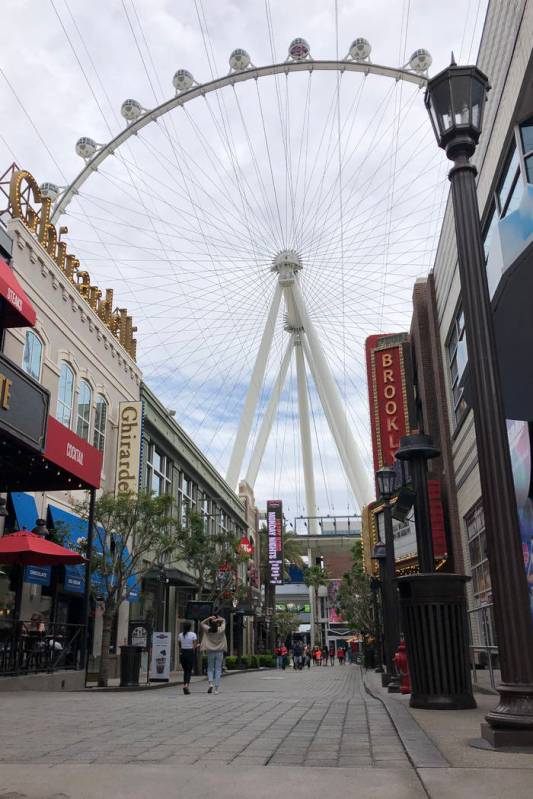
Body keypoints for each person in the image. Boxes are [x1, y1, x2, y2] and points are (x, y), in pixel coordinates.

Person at [200, 615, 227, 694]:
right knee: (218, 669)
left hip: (210, 651)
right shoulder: (221, 629)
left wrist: (209, 618)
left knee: (210, 668)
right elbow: (224, 620)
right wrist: (219, 619)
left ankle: (210, 684)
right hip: (219, 651)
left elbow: (201, 623)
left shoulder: (208, 630)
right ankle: (216, 689)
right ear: (218, 624)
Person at [177, 621, 197, 695]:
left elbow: (179, 645)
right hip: (190, 653)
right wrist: (196, 646)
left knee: (185, 671)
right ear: (190, 627)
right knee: (189, 670)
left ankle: (185, 685)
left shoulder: (180, 635)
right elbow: (194, 646)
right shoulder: (193, 634)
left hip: (182, 653)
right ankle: (186, 685)